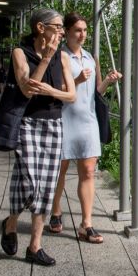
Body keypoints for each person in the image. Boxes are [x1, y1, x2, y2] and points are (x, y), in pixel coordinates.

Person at [0, 8, 76, 266]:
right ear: (40, 28)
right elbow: (27, 89)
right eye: (57, 26)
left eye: (62, 27)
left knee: (45, 185)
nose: (61, 31)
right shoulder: (20, 53)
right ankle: (11, 223)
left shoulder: (64, 57)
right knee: (30, 182)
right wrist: (45, 59)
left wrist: (51, 90)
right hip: (27, 124)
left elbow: (72, 95)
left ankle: (35, 246)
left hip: (53, 125)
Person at [48, 13, 122, 244]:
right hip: (63, 118)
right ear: (67, 32)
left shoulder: (90, 57)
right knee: (59, 170)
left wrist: (107, 81)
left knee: (88, 171)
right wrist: (77, 80)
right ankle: (55, 211)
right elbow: (53, 88)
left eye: (85, 30)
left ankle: (86, 224)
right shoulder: (59, 56)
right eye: (78, 30)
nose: (82, 35)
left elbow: (95, 92)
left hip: (88, 120)